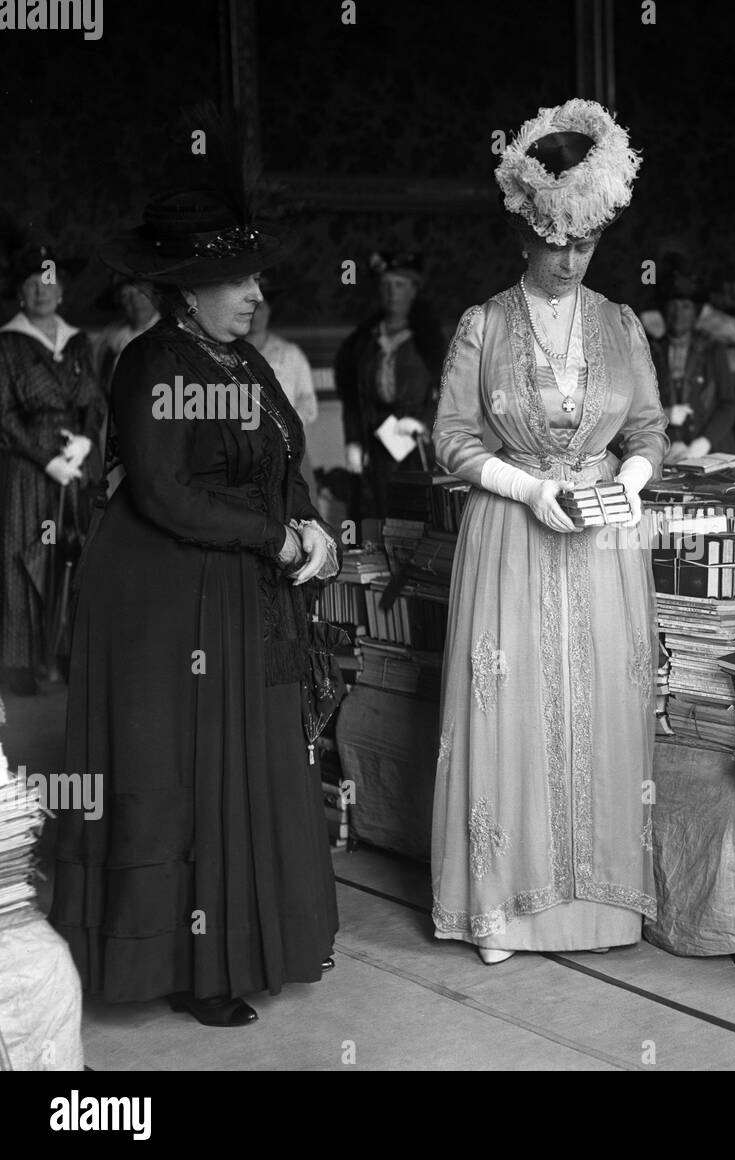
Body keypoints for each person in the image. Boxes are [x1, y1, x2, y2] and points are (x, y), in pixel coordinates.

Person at [50, 142, 341, 1027]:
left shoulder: (241, 364)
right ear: (189, 287)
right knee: (182, 773)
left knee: (247, 765)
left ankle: (242, 945)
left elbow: (282, 452)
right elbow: (164, 490)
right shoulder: (156, 364)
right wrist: (277, 535)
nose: (257, 297)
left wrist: (310, 528)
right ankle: (187, 963)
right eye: (242, 283)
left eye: (256, 282)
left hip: (244, 586)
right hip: (168, 601)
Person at [431, 98, 667, 964]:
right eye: (554, 239)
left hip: (604, 543)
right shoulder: (483, 325)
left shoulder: (620, 323)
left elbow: (647, 431)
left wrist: (632, 481)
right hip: (512, 533)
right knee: (515, 706)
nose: (570, 259)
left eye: (586, 241)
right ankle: (503, 907)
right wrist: (527, 489)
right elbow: (450, 439)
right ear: (525, 232)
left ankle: (602, 904)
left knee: (602, 705)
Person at [0, 244, 104, 696]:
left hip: (76, 466)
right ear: (20, 295)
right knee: (23, 555)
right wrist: (47, 462)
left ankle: (68, 655)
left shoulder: (79, 342)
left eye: (49, 282)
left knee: (72, 553)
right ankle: (20, 663)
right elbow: (2, 415)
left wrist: (84, 440)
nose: (41, 292)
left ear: (61, 291)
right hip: (26, 468)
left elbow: (95, 400)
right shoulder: (7, 343)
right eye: (31, 284)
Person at [334, 251, 443, 519]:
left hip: (417, 445)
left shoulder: (428, 341)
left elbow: (449, 389)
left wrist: (424, 423)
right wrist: (354, 443)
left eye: (399, 285)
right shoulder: (365, 341)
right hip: (376, 444)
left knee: (418, 514)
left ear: (413, 290)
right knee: (378, 515)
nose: (392, 292)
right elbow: (353, 397)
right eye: (385, 285)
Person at [648, 265, 735, 462]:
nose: (678, 313)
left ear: (695, 313)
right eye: (673, 306)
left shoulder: (713, 350)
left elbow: (728, 403)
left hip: (713, 450)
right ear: (664, 310)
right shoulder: (649, 352)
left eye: (686, 307)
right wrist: (665, 416)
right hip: (667, 451)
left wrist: (705, 442)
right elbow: (637, 407)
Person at [247, 276, 319, 504]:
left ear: (269, 312)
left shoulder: (289, 354)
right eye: (250, 306)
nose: (255, 314)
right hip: (244, 447)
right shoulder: (227, 353)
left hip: (286, 447)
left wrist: (285, 426)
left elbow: (309, 403)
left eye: (261, 307)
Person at [95, 274, 160, 394]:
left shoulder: (171, 335)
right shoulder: (111, 338)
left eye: (141, 292)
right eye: (126, 295)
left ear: (154, 295)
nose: (135, 300)